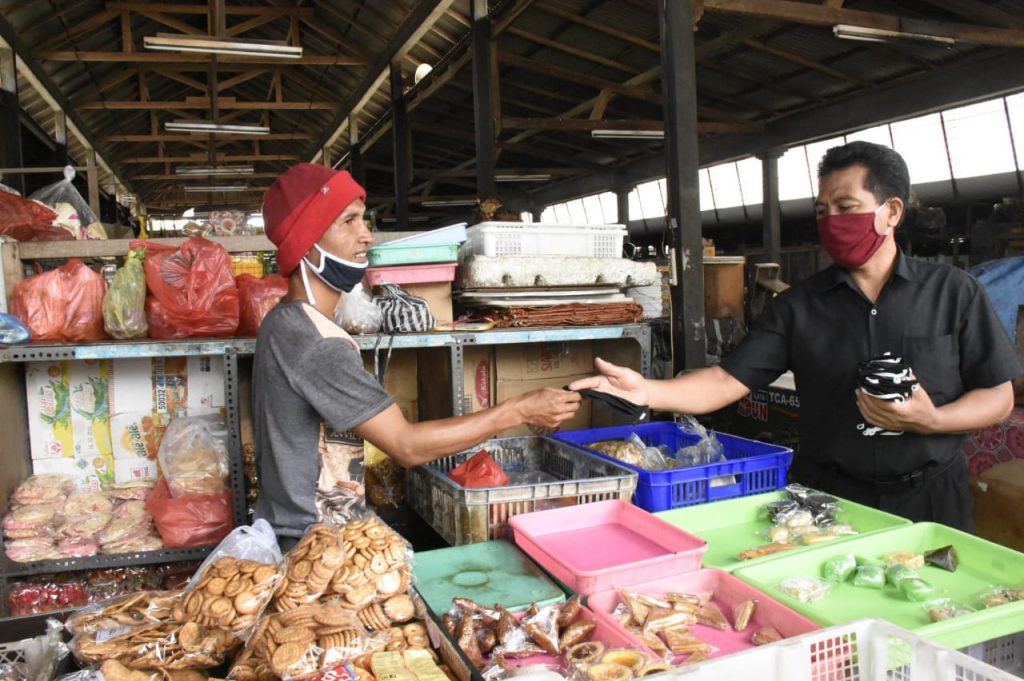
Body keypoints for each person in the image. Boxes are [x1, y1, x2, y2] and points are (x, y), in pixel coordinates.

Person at [570, 141, 1021, 531]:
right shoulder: (800, 307)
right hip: (830, 497)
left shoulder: (953, 292)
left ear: (892, 212)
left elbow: (998, 396)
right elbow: (727, 382)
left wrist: (931, 420)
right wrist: (648, 389)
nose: (831, 222)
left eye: (847, 208)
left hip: (933, 498)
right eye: (823, 211)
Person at [253, 163, 581, 546]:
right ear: (307, 244)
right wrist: (517, 410)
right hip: (314, 545)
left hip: (301, 530)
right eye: (349, 221)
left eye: (364, 220)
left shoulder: (284, 321)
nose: (367, 236)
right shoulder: (316, 341)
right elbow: (406, 446)